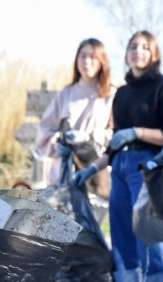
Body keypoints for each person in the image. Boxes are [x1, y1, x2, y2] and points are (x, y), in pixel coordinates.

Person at [75, 31, 163, 282]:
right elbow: (114, 145)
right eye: (134, 46)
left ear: (154, 54)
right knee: (122, 231)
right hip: (120, 166)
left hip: (147, 165)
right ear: (126, 53)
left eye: (145, 47)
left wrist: (137, 132)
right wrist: (91, 169)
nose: (139, 51)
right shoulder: (121, 94)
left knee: (149, 232)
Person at [34, 38, 114, 194]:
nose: (87, 61)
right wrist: (57, 144)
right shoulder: (65, 94)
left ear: (102, 61)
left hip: (96, 172)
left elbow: (114, 134)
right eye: (83, 56)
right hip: (63, 172)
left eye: (92, 57)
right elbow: (44, 130)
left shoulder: (110, 95)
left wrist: (88, 138)